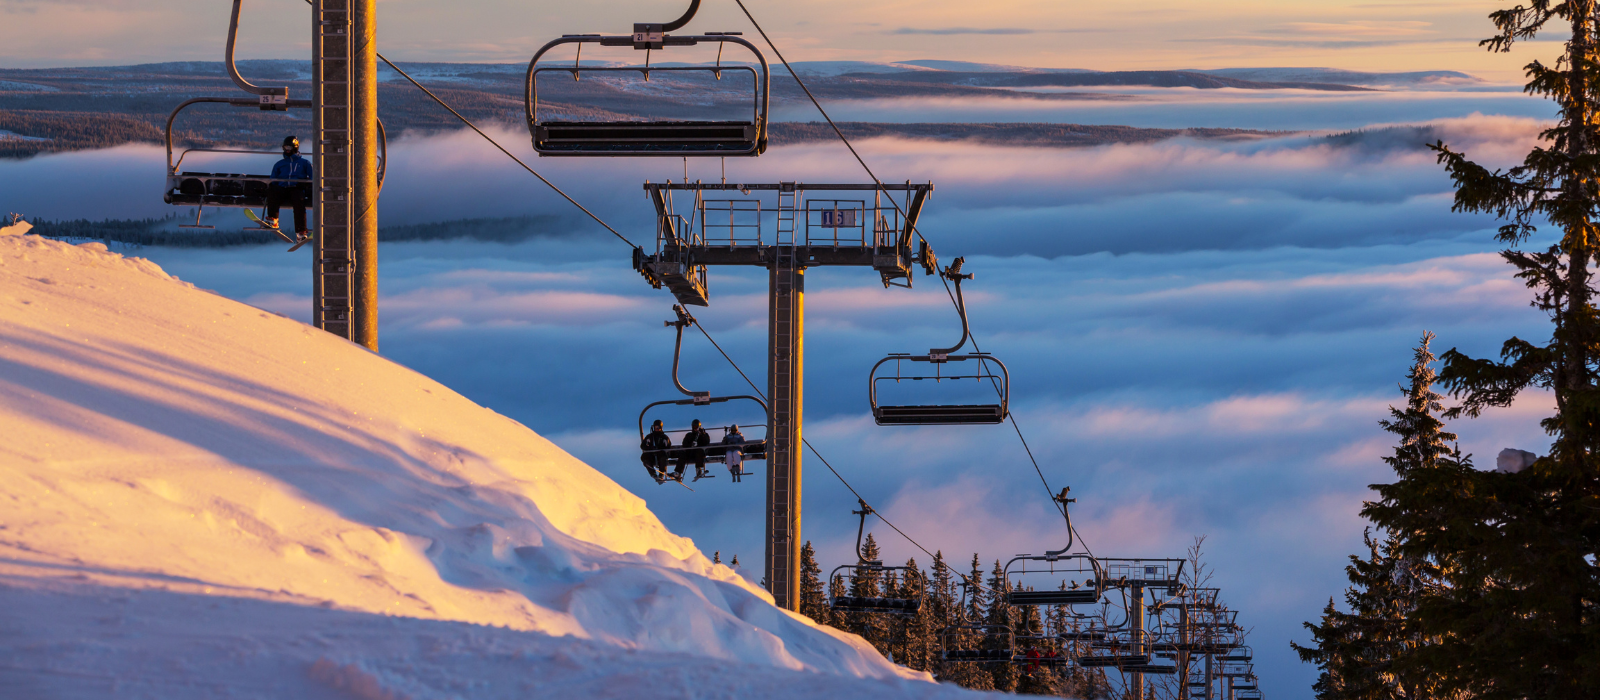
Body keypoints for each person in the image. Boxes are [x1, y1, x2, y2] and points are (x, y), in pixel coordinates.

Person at [263, 135, 314, 240]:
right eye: (285, 148)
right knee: (273, 192)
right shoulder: (280, 164)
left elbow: (314, 177)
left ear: (295, 148)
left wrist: (306, 185)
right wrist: (274, 186)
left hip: (296, 188)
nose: (287, 150)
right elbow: (273, 178)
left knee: (298, 201)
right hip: (283, 189)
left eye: (289, 148)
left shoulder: (304, 163)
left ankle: (301, 231)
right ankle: (273, 219)